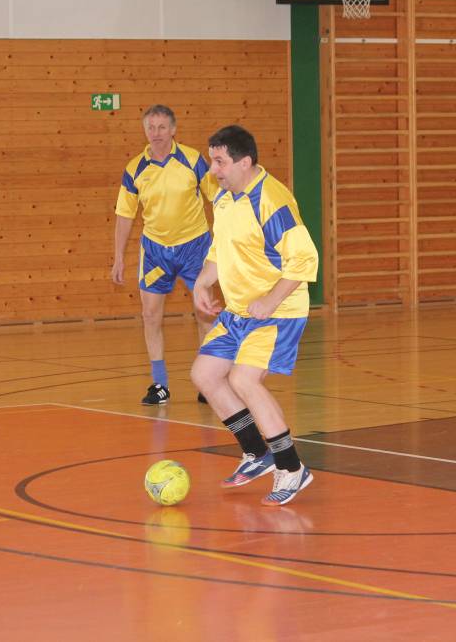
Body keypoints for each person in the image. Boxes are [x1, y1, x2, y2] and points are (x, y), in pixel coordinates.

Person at [190, 126, 319, 506]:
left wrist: (271, 300)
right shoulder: (224, 196)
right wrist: (203, 282)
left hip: (278, 312)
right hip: (239, 311)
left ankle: (291, 467)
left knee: (244, 380)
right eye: (212, 161)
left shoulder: (272, 201)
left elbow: (305, 260)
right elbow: (221, 248)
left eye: (220, 162)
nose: (213, 170)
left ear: (244, 162)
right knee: (205, 374)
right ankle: (257, 453)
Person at [112, 105, 218, 405]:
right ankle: (159, 385)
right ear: (144, 130)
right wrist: (118, 256)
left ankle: (208, 381)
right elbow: (124, 215)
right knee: (150, 315)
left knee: (204, 312)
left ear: (173, 130)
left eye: (161, 127)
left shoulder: (193, 160)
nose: (156, 133)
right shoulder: (135, 169)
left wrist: (225, 241)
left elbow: (219, 198)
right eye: (151, 127)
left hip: (194, 248)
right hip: (155, 251)